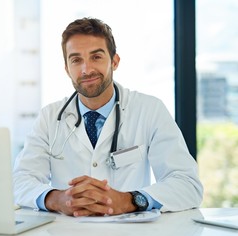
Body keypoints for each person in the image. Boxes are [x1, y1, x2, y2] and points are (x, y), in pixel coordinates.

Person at [13, 17, 203, 217]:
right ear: (67, 69)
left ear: (115, 61)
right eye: (76, 60)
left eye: (96, 57)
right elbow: (21, 180)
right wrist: (56, 199)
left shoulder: (149, 109)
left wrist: (130, 200)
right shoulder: (49, 118)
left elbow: (188, 185)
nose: (86, 69)